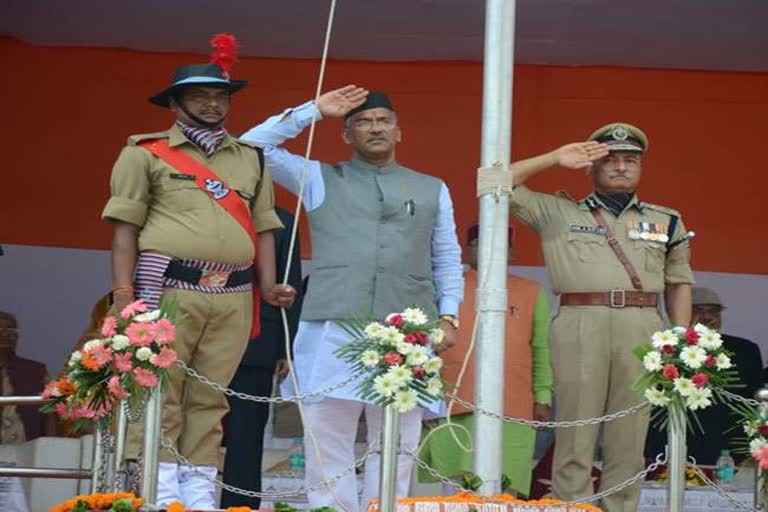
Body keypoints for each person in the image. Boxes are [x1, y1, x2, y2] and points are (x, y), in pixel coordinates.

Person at [241, 87, 464, 512]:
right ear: (346, 134)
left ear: (399, 132)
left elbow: (447, 257)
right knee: (327, 438)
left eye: (384, 121)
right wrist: (312, 112)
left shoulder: (433, 188)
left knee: (397, 441)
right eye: (363, 122)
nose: (375, 128)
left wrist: (449, 315)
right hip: (334, 322)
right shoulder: (319, 177)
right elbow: (251, 146)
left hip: (408, 327)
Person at [101, 35, 295, 508]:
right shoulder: (144, 153)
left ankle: (199, 496)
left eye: (220, 96)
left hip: (232, 292)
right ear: (176, 103)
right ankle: (160, 493)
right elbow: (124, 227)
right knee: (163, 394)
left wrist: (270, 287)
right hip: (168, 285)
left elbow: (266, 226)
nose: (213, 104)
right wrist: (124, 292)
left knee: (211, 398)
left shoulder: (251, 158)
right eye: (200, 96)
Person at [508, 124, 694, 512]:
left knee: (629, 435)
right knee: (576, 429)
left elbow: (678, 284)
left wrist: (679, 341)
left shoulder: (667, 220)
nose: (622, 167)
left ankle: (620, 508)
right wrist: (554, 157)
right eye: (610, 159)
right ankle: (571, 507)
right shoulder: (558, 211)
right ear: (590, 167)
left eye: (631, 160)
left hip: (643, 324)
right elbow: (496, 181)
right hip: (580, 320)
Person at [417, 224, 552, 496]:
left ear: (512, 253)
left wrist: (543, 395)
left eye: (499, 243)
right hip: (452, 399)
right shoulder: (445, 289)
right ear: (467, 250)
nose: (490, 249)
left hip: (512, 403)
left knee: (505, 488)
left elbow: (540, 347)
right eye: (480, 243)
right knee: (454, 489)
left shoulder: (531, 291)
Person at [221, 207, 305, 509]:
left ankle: (238, 506)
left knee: (246, 435)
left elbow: (290, 285)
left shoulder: (283, 221)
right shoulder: (204, 205)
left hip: (259, 341)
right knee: (190, 426)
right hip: (202, 336)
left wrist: (286, 347)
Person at [645, 286, 763, 465]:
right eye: (698, 310)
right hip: (674, 440)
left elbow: (755, 399)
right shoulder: (666, 349)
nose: (708, 317)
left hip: (727, 449)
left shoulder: (745, 350)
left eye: (714, 311)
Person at [0, 312, 55, 444]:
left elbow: (50, 412)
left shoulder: (36, 371)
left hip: (27, 449)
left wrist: (51, 446)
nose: (5, 335)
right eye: (0, 330)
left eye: (10, 331)